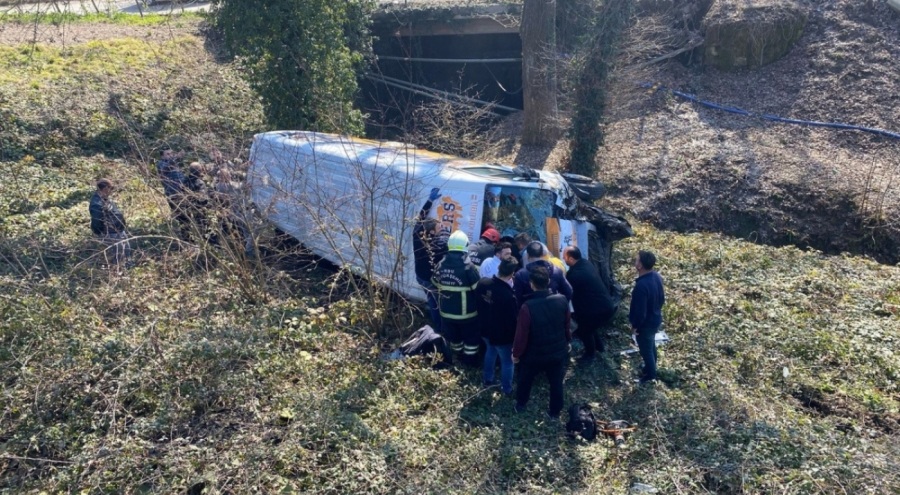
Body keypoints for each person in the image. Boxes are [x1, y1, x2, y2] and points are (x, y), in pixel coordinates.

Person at [512, 266, 572, 418]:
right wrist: (568, 341)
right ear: (549, 281)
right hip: (558, 351)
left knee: (525, 379)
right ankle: (554, 412)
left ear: (532, 284)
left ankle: (521, 404)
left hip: (534, 354)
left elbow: (521, 335)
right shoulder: (562, 300)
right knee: (556, 382)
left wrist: (516, 354)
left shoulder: (527, 307)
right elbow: (566, 324)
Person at [432, 230, 482, 366]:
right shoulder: (468, 267)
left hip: (446, 313)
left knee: (454, 339)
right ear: (465, 245)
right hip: (467, 315)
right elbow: (478, 288)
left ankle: (456, 358)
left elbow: (434, 284)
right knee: (471, 341)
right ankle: (469, 364)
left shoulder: (440, 265)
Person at [563, 246, 617, 363]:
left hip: (597, 309)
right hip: (606, 305)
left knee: (584, 330)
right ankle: (599, 347)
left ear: (571, 259)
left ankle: (590, 354)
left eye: (565, 257)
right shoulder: (585, 263)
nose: (564, 260)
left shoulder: (574, 275)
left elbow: (567, 292)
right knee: (591, 326)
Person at [475, 257, 519, 394]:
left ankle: (488, 379)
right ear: (512, 274)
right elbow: (512, 321)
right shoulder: (508, 295)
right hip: (502, 336)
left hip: (485, 329)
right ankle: (507, 389)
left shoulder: (483, 283)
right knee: (507, 362)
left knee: (490, 351)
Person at [413, 188, 448, 330]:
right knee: (436, 305)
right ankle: (440, 329)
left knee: (431, 301)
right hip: (428, 279)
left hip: (419, 276)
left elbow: (419, 219)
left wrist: (429, 201)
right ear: (432, 231)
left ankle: (438, 326)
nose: (442, 228)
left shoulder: (417, 235)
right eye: (439, 227)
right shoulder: (437, 246)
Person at [629, 250, 666, 385]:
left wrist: (635, 326)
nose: (635, 261)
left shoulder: (641, 286)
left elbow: (640, 312)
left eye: (637, 260)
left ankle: (650, 376)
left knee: (646, 351)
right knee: (651, 346)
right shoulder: (656, 276)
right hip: (655, 318)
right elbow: (662, 298)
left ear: (640, 266)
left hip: (645, 325)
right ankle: (649, 368)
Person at [89, 178, 132, 268]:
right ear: (105, 188)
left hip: (119, 231)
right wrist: (102, 233)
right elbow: (97, 221)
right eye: (111, 188)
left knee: (126, 253)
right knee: (117, 257)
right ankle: (118, 275)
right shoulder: (96, 203)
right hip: (111, 234)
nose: (111, 191)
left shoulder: (105, 199)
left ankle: (127, 270)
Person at [513, 241, 573, 306]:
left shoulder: (521, 275)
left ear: (528, 256)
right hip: (554, 310)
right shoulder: (556, 271)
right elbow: (568, 291)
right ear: (542, 254)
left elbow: (518, 298)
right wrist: (560, 305)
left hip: (532, 312)